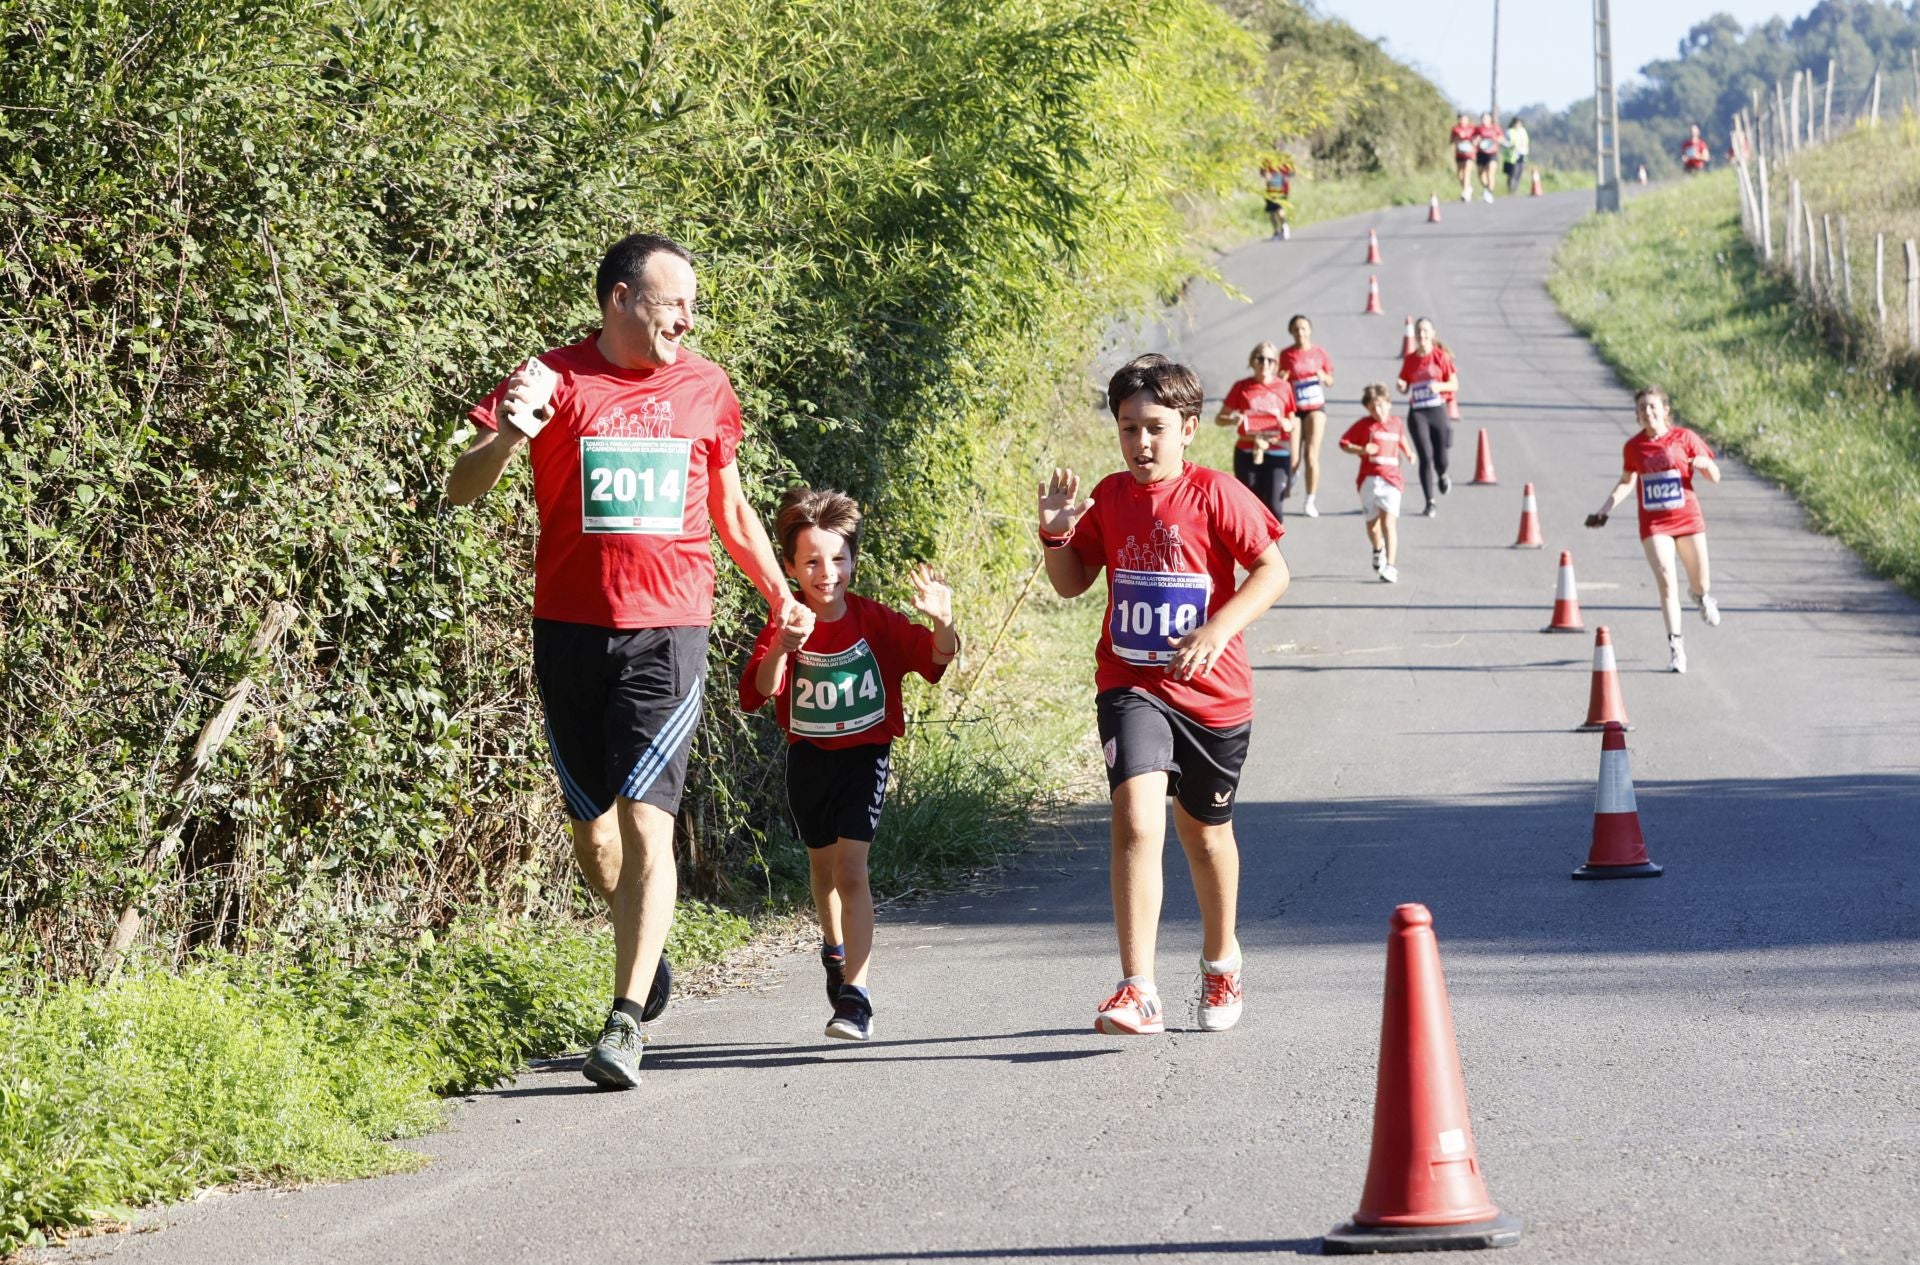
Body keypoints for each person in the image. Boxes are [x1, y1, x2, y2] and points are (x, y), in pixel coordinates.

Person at [446, 231, 798, 1090]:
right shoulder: (551, 378)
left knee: (648, 823)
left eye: (692, 307)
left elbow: (731, 508)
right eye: (673, 303)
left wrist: (778, 592)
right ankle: (647, 944)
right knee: (595, 839)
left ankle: (625, 1019)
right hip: (568, 630)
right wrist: (510, 437)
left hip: (668, 629)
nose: (687, 320)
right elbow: (459, 486)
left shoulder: (705, 386)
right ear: (620, 299)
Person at [1039, 354, 1290, 1037]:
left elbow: (1272, 571)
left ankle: (1221, 960)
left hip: (1212, 697)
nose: (1141, 442)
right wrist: (1056, 532)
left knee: (1204, 836)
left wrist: (1218, 628)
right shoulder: (1110, 497)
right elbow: (1071, 581)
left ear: (1188, 429)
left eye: (1155, 427)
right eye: (1129, 428)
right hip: (1132, 685)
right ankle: (1138, 987)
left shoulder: (1216, 494)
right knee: (1136, 817)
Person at [739, 488, 959, 1042]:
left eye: (838, 559)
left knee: (851, 871)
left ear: (854, 561)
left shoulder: (874, 621)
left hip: (865, 757)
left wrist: (943, 622)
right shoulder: (787, 620)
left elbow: (936, 659)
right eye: (812, 562)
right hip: (808, 760)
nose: (827, 573)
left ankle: (856, 997)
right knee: (822, 871)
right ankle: (833, 950)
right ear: (790, 567)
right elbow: (759, 692)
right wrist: (782, 646)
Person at [1584, 385, 1722, 673]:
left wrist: (1705, 464)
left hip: (1687, 519)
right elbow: (1626, 481)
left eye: (1652, 407)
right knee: (1666, 579)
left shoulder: (1684, 438)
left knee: (1701, 582)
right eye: (1641, 409)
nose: (1647, 412)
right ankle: (1676, 647)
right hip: (1655, 524)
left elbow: (1715, 476)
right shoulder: (1634, 447)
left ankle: (1700, 596)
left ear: (1664, 410)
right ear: (1637, 416)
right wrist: (1605, 508)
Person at [1338, 385, 1415, 584]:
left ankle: (1390, 566)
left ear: (1389, 404)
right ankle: (1378, 549)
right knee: (1373, 527)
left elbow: (1401, 438)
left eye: (1381, 406)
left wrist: (1408, 452)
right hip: (1369, 480)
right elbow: (1344, 443)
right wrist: (1362, 450)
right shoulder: (1365, 425)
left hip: (1392, 481)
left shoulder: (1396, 423)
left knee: (1389, 523)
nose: (1378, 411)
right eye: (1372, 408)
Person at [1215, 342, 1297, 522]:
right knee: (1250, 505)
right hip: (1247, 451)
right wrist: (1233, 419)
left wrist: (1287, 424)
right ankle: (1253, 540)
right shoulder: (1242, 387)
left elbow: (1292, 419)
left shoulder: (1284, 387)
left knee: (1274, 507)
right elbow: (1219, 419)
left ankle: (1274, 540)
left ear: (1276, 364)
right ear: (1253, 361)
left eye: (1270, 360)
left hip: (1278, 450)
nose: (1265, 363)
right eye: (1260, 358)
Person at [1394, 317, 1458, 517]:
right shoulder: (1410, 359)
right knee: (1425, 456)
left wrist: (1439, 386)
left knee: (1441, 458)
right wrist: (1401, 386)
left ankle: (1443, 473)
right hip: (1418, 412)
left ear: (1432, 333)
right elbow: (1404, 385)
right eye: (1419, 331)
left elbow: (1454, 384)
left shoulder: (1440, 357)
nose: (1422, 335)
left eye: (1425, 331)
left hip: (1437, 409)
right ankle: (1430, 502)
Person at [1278, 315, 1334, 519]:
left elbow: (1330, 380)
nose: (1300, 332)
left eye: (1303, 328)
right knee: (1293, 458)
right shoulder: (1286, 355)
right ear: (1291, 332)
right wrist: (1282, 379)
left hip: (1315, 407)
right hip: (1295, 409)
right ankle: (1292, 476)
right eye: (1296, 329)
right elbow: (1278, 382)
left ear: (1310, 330)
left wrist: (1323, 376)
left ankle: (1310, 500)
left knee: (1311, 454)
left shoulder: (1320, 353)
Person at [1261, 155, 1295, 240]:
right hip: (1270, 191)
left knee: (1279, 210)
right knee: (1271, 212)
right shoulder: (1267, 159)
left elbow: (1292, 172)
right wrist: (1265, 174)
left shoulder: (1286, 158)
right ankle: (1276, 232)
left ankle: (1284, 227)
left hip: (1282, 190)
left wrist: (1287, 177)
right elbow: (1262, 172)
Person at [1474, 112, 1504, 203]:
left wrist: (1495, 139)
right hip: (1481, 153)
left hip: (1492, 153)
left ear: (1490, 119)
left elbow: (1501, 139)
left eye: (1486, 118)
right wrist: (1476, 140)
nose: (1484, 120)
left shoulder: (1495, 128)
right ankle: (1486, 188)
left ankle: (1490, 192)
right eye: (1483, 118)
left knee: (1490, 172)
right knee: (1480, 174)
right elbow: (1474, 140)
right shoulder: (1478, 129)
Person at [1451, 114, 1478, 202]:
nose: (1462, 121)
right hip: (1459, 154)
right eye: (1461, 119)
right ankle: (1468, 188)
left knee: (1466, 172)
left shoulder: (1473, 128)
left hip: (1469, 154)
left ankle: (1465, 192)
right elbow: (1451, 141)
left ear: (1468, 120)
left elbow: (1477, 138)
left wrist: (1473, 141)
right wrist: (1458, 137)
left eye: (1464, 119)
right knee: (1460, 174)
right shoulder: (1455, 129)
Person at [1502, 115, 1530, 195]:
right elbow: (1504, 142)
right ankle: (1510, 189)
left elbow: (1526, 142)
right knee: (1513, 173)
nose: (1518, 125)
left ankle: (1515, 189)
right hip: (1512, 156)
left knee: (1519, 172)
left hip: (1522, 154)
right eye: (1517, 123)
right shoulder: (1509, 131)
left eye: (1519, 123)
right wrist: (1511, 145)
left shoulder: (1523, 131)